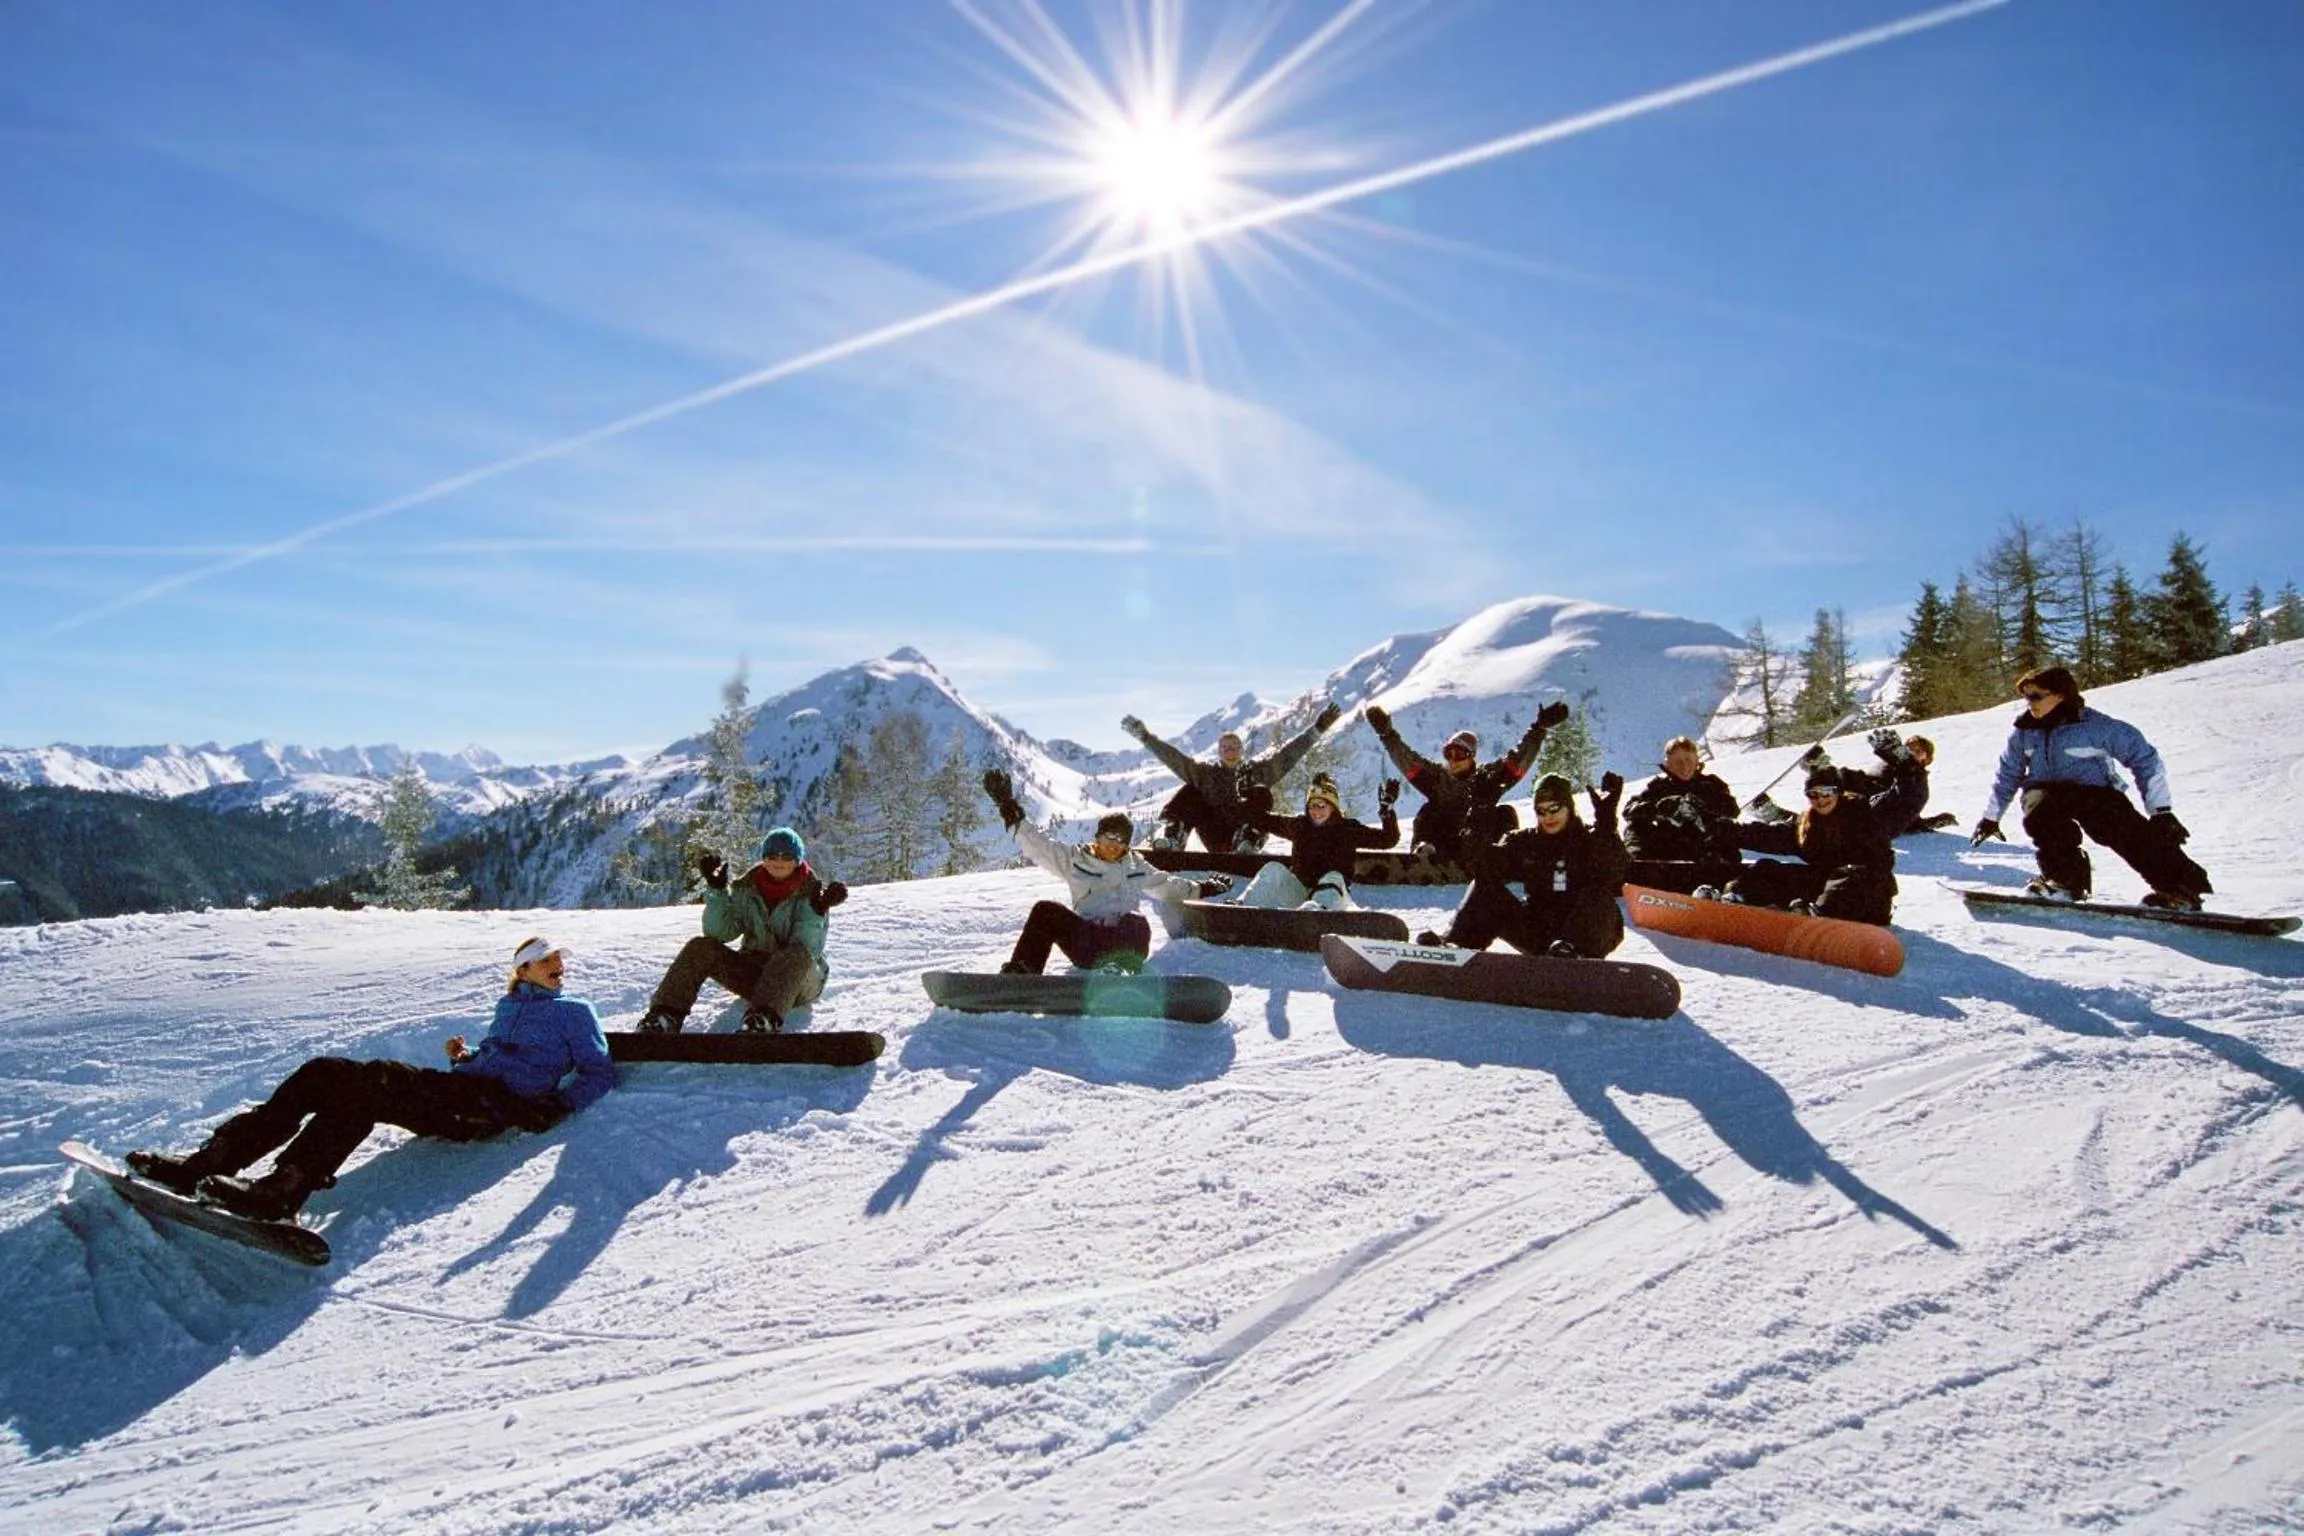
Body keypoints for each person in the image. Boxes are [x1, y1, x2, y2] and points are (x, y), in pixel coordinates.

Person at [126, 937, 614, 1221]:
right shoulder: (509, 1007)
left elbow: (598, 1071)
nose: (559, 967)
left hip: (495, 1109)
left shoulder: (574, 1011)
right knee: (326, 1074)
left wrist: (560, 1106)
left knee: (371, 1081)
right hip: (465, 1093)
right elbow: (494, 1060)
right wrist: (464, 1059)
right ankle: (213, 1163)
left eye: (559, 960)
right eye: (548, 960)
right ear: (523, 970)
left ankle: (282, 1189)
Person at [1969, 664, 2211, 908]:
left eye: (2036, 696)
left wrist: (2161, 812)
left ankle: (2180, 889)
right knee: (2040, 814)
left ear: (2061, 694)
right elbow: (2007, 775)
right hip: (2045, 792)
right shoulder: (2023, 732)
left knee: (2120, 829)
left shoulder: (2096, 727)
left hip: (2093, 792)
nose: (2029, 703)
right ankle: (2064, 882)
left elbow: (2145, 759)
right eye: (2025, 697)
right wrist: (1991, 818)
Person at [980, 769, 1220, 973]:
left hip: (1126, 945)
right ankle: (1023, 973)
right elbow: (1040, 845)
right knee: (1045, 910)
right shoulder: (1076, 859)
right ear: (1098, 837)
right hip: (1087, 943)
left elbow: (1167, 885)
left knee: (1136, 921)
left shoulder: (1136, 865)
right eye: (1109, 837)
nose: (1114, 844)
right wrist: (1010, 808)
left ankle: (1120, 970)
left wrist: (1204, 888)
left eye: (1121, 840)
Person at [635, 827, 847, 1034]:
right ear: (764, 858)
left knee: (795, 954)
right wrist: (717, 892)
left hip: (800, 982)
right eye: (773, 854)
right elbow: (720, 933)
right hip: (756, 976)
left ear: (798, 859)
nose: (779, 861)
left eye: (787, 855)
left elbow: (807, 949)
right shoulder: (747, 889)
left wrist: (816, 910)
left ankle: (762, 1021)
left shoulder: (813, 894)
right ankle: (663, 1018)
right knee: (701, 947)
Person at [1420, 772, 1629, 958]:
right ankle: (1455, 949)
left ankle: (1572, 953)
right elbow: (1484, 867)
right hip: (1540, 932)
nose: (1548, 816)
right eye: (1541, 810)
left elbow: (1615, 874)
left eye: (1554, 808)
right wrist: (1479, 813)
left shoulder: (1590, 840)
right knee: (1485, 888)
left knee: (1597, 894)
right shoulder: (1525, 841)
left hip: (1586, 935)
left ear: (1569, 807)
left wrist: (1606, 825)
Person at [1123, 702, 1342, 853]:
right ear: (1219, 751)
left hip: (1244, 836)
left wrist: (1317, 730)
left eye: (1233, 746)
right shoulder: (1206, 774)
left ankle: (1249, 840)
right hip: (1215, 835)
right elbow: (1175, 759)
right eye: (1225, 747)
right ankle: (1175, 837)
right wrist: (1145, 737)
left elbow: (1288, 756)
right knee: (1191, 790)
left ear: (1241, 750)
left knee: (1261, 791)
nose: (1229, 750)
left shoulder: (1258, 771)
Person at [1362, 700, 1569, 858]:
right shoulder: (1437, 778)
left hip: (1480, 842)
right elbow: (1407, 760)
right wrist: (1387, 735)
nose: (1453, 760)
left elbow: (1518, 760)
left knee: (1505, 812)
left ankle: (1505, 855)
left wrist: (1538, 730)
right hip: (1443, 844)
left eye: (1459, 754)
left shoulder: (1487, 778)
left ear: (1471, 756)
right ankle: (1423, 853)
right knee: (1428, 810)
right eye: (1448, 754)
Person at [1711, 764, 1897, 924]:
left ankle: (1819, 915)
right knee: (1766, 868)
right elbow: (1770, 836)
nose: (1820, 800)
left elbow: (1881, 861)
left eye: (1826, 792)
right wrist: (1727, 829)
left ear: (1838, 792)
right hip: (1824, 887)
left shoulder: (1861, 817)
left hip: (1867, 895)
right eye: (1813, 794)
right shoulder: (1806, 824)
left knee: (1848, 875)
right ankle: (1736, 898)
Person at [1233, 774, 1401, 909]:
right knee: (1273, 868)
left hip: (1334, 898)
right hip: (1300, 893)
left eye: (1322, 805)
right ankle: (1242, 907)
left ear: (1333, 807)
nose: (1316, 811)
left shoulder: (1348, 829)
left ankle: (1315, 913)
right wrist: (1247, 801)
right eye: (1313, 805)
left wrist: (1387, 813)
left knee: (1334, 877)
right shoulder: (1299, 825)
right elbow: (1263, 820)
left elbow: (1388, 839)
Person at [1622, 735, 1743, 890]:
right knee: (1636, 827)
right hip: (1671, 850)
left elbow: (1731, 811)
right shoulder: (1659, 787)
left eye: (1688, 760)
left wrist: (1699, 809)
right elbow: (1630, 810)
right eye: (1678, 762)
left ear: (1697, 761)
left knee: (1723, 830)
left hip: (1706, 849)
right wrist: (1653, 809)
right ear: (1668, 764)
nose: (1684, 766)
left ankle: (1723, 881)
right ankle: (1637, 867)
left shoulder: (1711, 785)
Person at [1834, 728, 1936, 835]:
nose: (1911, 752)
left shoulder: (1916, 780)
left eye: (1918, 751)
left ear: (1926, 759)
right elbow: (1868, 783)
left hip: (1872, 823)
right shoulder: (1891, 766)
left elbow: (1907, 799)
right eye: (1908, 748)